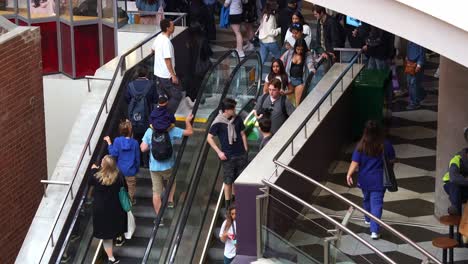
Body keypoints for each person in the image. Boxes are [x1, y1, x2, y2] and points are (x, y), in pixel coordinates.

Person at [346, 120, 396, 240]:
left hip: (364, 179)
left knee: (366, 199)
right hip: (379, 180)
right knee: (377, 204)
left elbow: (355, 162)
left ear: (366, 132)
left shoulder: (361, 145)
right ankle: (374, 230)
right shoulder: (385, 144)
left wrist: (349, 174)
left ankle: (368, 219)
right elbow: (392, 160)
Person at [140, 113, 194, 223]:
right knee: (171, 181)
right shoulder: (171, 130)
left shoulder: (150, 131)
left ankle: (160, 218)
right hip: (169, 165)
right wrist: (187, 121)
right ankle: (170, 200)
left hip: (155, 168)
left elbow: (143, 148)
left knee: (156, 193)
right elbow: (190, 132)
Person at [207, 98, 248, 208]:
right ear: (226, 110)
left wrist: (245, 149)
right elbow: (209, 138)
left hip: (240, 154)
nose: (235, 110)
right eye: (233, 108)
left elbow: (242, 134)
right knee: (228, 180)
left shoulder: (238, 119)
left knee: (240, 180)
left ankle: (239, 201)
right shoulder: (218, 122)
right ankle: (228, 204)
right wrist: (219, 152)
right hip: (228, 156)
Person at [89, 155, 127, 263]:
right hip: (115, 209)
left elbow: (90, 181)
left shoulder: (97, 177)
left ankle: (111, 258)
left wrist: (93, 170)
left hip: (101, 210)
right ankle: (119, 237)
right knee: (114, 228)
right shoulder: (119, 176)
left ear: (103, 165)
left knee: (106, 236)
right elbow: (125, 190)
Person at [104, 120, 140, 205]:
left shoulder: (117, 141)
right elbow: (137, 158)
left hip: (120, 170)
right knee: (131, 187)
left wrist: (109, 143)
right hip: (131, 170)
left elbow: (113, 153)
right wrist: (136, 169)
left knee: (120, 187)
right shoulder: (135, 143)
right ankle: (129, 202)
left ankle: (120, 201)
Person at [126, 66, 156, 168]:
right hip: (147, 117)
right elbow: (155, 99)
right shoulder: (150, 84)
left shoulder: (130, 85)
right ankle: (146, 162)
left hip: (133, 118)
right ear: (146, 74)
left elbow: (127, 99)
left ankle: (138, 162)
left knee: (136, 138)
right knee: (147, 138)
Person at [152, 18, 183, 114]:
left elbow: (152, 50)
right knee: (177, 95)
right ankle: (167, 115)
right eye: (172, 25)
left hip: (158, 73)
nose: (174, 27)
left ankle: (159, 114)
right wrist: (173, 75)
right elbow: (167, 60)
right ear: (167, 28)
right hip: (166, 75)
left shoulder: (159, 37)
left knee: (162, 96)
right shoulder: (166, 42)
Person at [443, 128, 468, 216]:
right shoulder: (457, 158)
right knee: (455, 186)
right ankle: (456, 210)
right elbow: (454, 178)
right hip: (451, 185)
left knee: (458, 193)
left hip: (465, 189)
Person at [281, 38, 314, 105]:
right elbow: (281, 60)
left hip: (299, 81)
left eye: (301, 50)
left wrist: (312, 69)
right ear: (295, 47)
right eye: (298, 49)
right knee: (288, 103)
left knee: (298, 103)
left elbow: (309, 62)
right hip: (289, 80)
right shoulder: (290, 52)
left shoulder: (307, 54)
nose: (299, 51)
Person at [405, 41, 426, 110]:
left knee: (413, 84)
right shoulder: (410, 39)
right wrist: (407, 58)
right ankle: (421, 96)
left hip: (416, 64)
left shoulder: (419, 39)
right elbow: (408, 48)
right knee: (410, 83)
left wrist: (419, 65)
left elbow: (422, 52)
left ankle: (414, 103)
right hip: (410, 63)